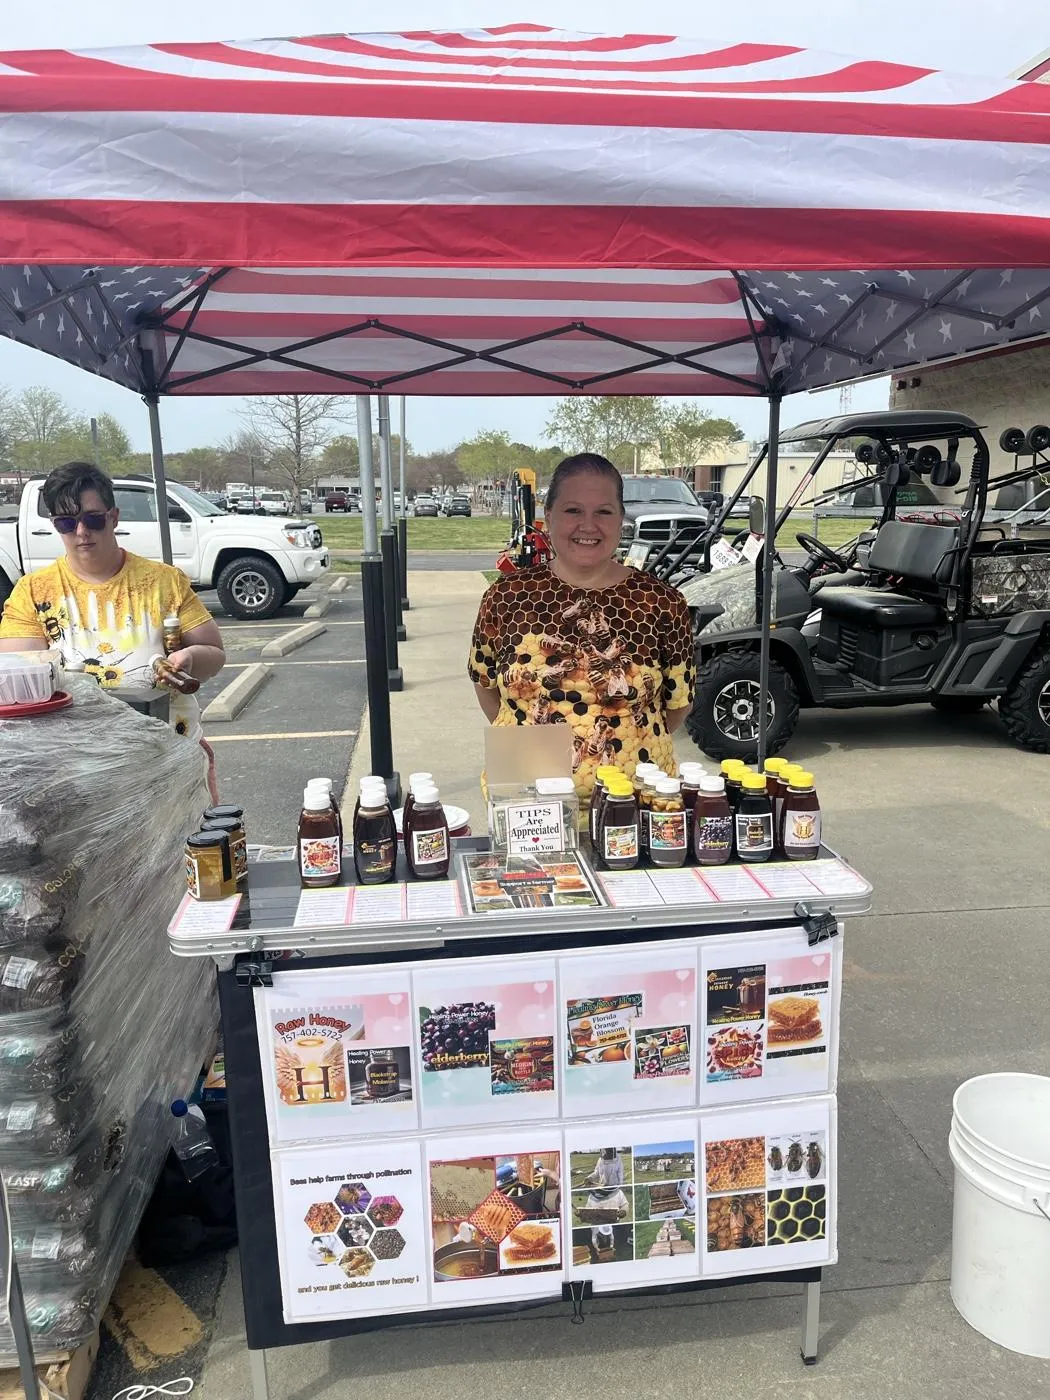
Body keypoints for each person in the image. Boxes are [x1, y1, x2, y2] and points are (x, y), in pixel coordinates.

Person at [469, 453, 695, 803]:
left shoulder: (662, 602)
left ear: (621, 518)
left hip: (634, 801)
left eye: (603, 512)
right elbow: (485, 685)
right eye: (573, 510)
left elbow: (677, 704)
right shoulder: (506, 596)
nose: (588, 525)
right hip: (529, 801)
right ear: (549, 516)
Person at [0, 462, 226, 795]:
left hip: (170, 757)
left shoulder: (164, 582)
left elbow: (215, 655)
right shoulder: (34, 592)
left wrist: (191, 658)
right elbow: (19, 683)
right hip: (79, 773)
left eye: (93, 519)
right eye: (66, 522)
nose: (81, 532)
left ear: (114, 517)